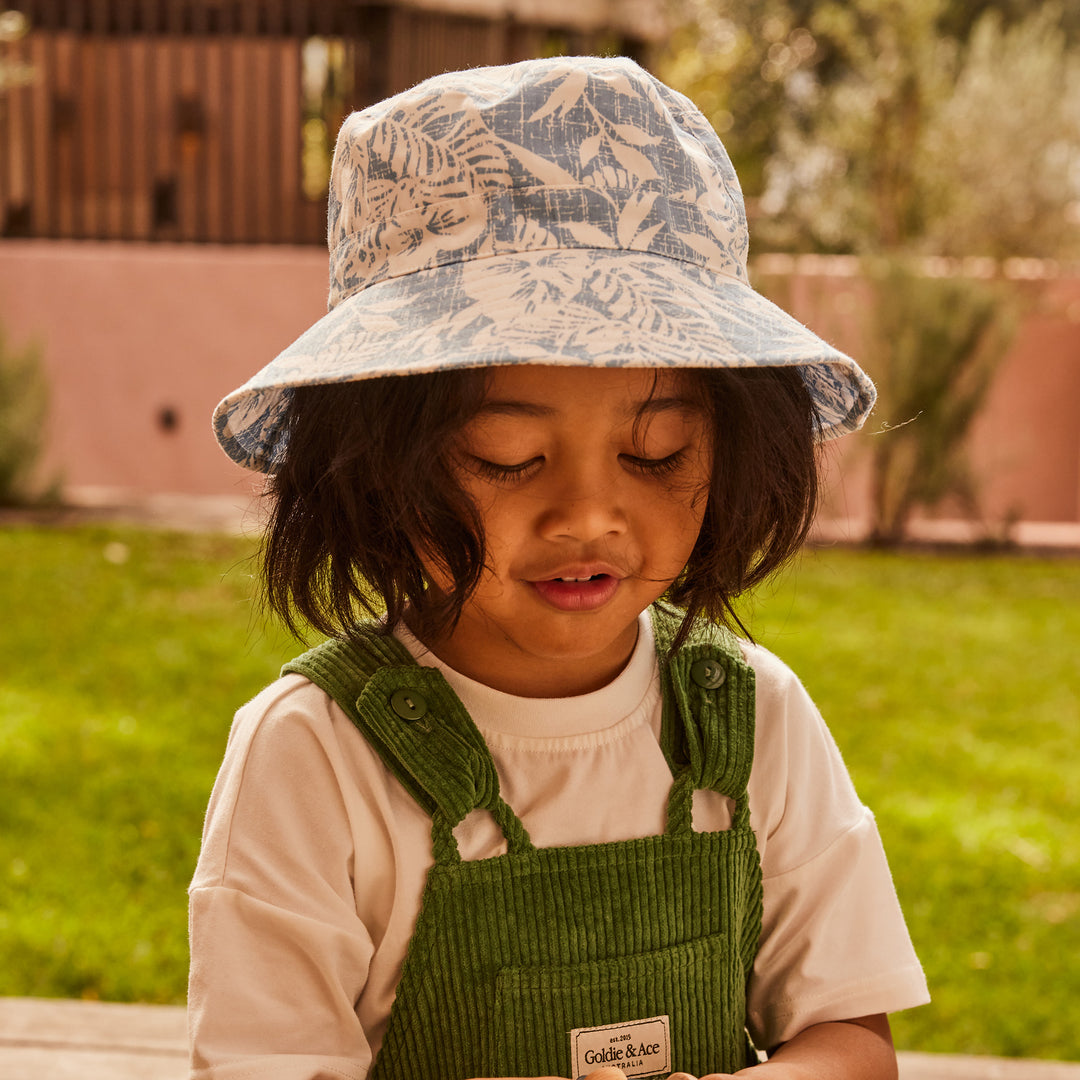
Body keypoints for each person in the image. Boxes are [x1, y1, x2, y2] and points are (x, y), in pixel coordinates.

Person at [190, 55, 928, 1080]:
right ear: (372, 464)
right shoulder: (314, 758)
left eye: (657, 452)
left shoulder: (752, 719)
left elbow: (850, 1039)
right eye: (505, 458)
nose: (588, 514)